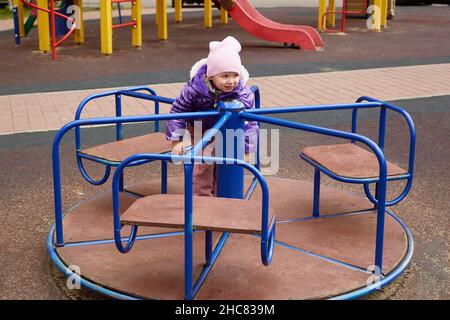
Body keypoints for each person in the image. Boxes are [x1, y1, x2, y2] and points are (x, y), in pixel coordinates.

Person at [166, 36, 259, 196]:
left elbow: (251, 122)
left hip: (226, 130)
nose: (231, 81)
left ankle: (219, 197)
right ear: (210, 76)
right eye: (225, 76)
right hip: (200, 128)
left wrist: (245, 151)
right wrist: (176, 141)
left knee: (225, 163)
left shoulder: (242, 94)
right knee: (204, 164)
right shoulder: (194, 89)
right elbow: (178, 110)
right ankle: (202, 200)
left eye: (235, 75)